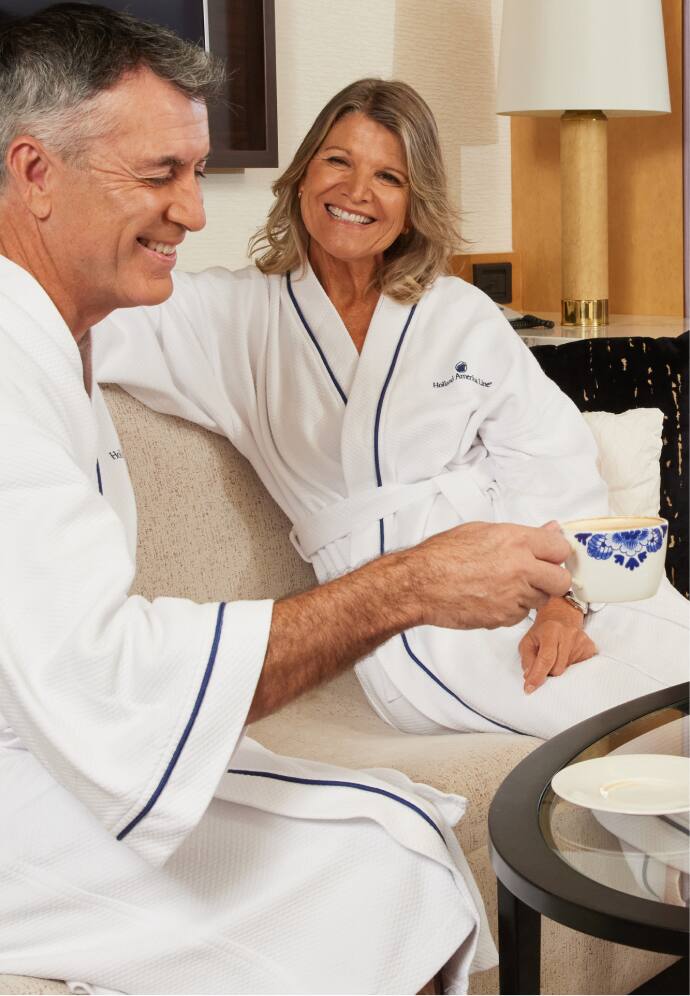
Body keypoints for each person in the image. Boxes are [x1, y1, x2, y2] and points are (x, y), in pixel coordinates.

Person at [0, 6, 576, 994]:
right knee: (385, 864)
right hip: (39, 766)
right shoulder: (34, 358)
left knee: (400, 830)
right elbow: (105, 677)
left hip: (67, 741)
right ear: (35, 173)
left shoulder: (66, 333)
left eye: (194, 172)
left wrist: (552, 584)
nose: (192, 210)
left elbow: (549, 457)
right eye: (160, 175)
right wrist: (408, 584)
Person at [95, 77, 688, 741]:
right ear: (301, 175)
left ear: (413, 204)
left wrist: (566, 603)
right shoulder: (228, 318)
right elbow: (80, 315)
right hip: (418, 626)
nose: (356, 192)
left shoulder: (458, 312)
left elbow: (554, 463)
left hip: (556, 582)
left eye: (389, 176)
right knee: (650, 732)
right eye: (338, 161)